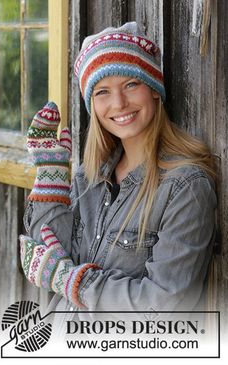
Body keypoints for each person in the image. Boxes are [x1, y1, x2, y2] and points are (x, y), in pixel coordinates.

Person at [20, 22, 217, 335]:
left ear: (154, 88)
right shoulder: (89, 177)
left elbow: (165, 305)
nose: (119, 104)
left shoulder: (185, 186)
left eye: (130, 85)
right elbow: (49, 251)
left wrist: (76, 282)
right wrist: (50, 180)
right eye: (102, 92)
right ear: (92, 105)